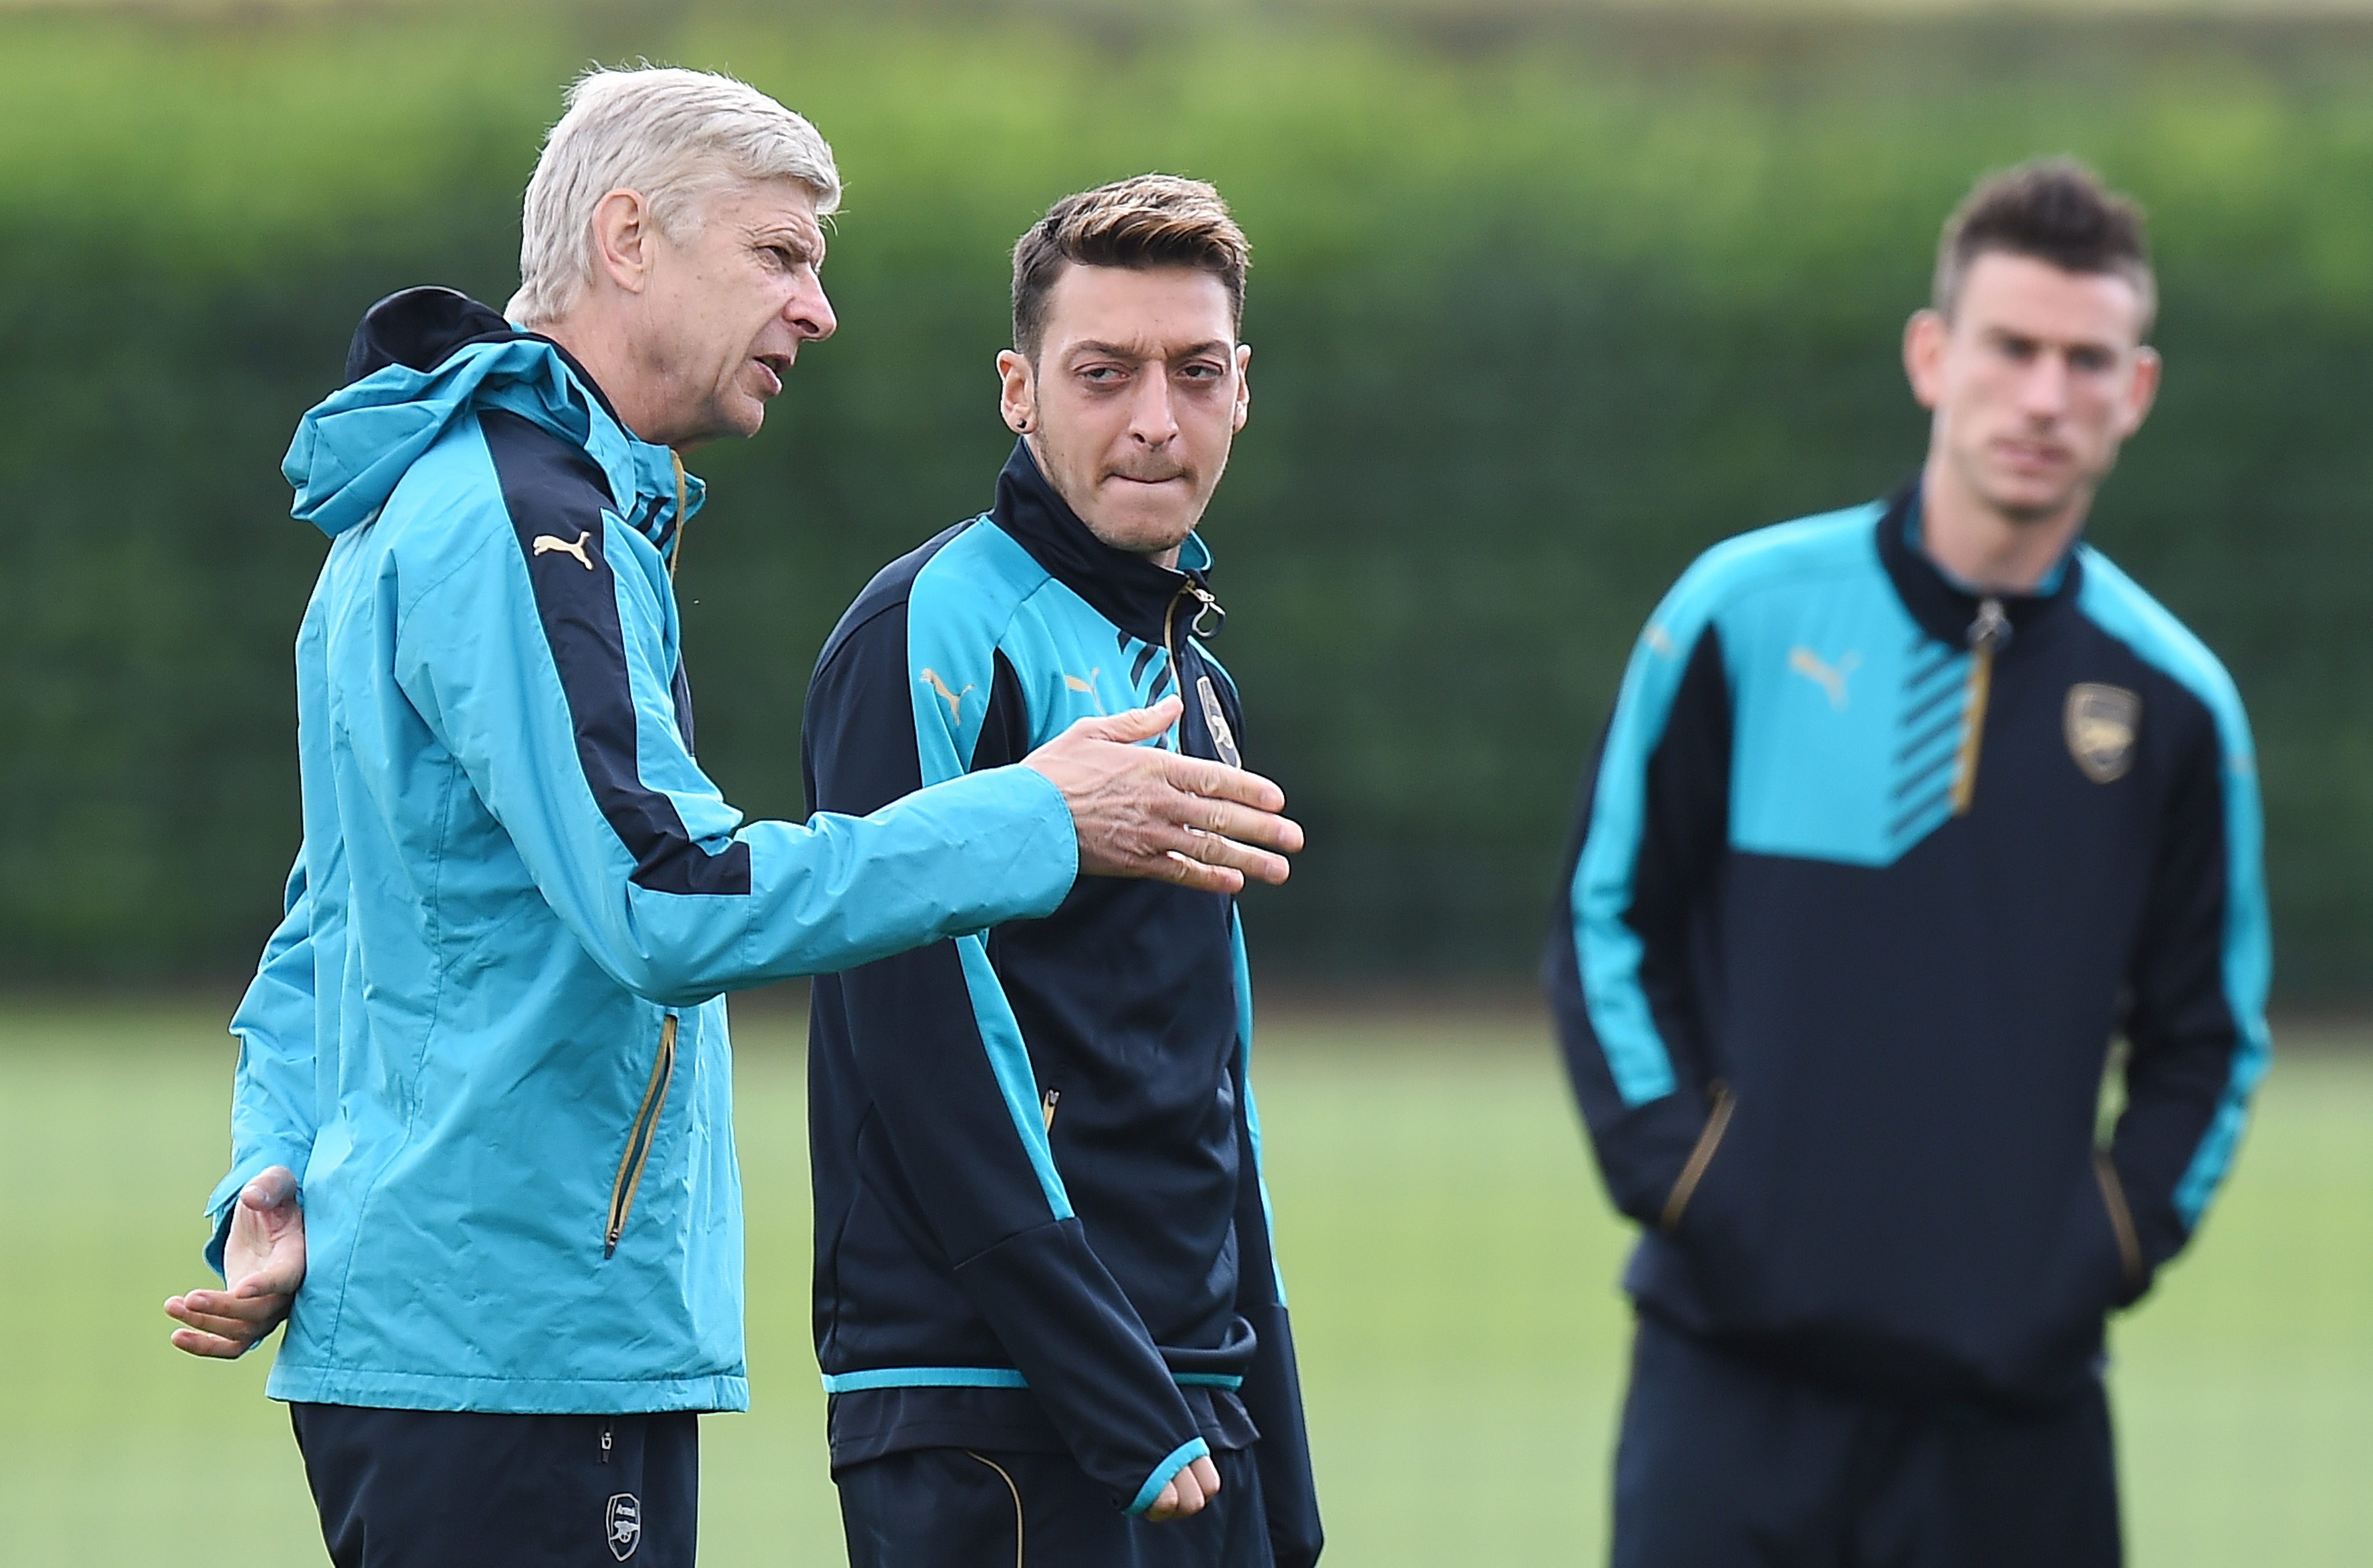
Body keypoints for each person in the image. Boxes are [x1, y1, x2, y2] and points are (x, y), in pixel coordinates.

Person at [161, 71, 1304, 1568]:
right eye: (779, 255)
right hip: (519, 1340)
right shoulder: (527, 520)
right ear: (628, 238)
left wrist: (269, 1172)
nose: (815, 309)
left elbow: (331, 915)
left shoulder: (463, 499)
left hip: (473, 1334)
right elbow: (667, 893)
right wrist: (1033, 817)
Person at [1547, 159, 2269, 1567]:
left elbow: (2210, 1039)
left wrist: (2103, 1242)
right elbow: (1604, 916)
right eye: (2010, 346)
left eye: (2086, 360)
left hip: (2014, 1422)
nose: (2044, 395)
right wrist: (1687, 1179)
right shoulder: (1739, 616)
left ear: (2135, 391)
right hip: (1729, 1391)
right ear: (1931, 355)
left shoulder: (2177, 707)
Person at [801, 175, 1323, 1568]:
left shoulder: (1189, 673)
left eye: (1194, 372)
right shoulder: (929, 626)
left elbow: (1213, 1070)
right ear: (1018, 392)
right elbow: (913, 1030)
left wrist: (1267, 1424)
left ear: (1241, 390)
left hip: (1191, 1396)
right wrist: (1117, 1396)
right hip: (991, 1404)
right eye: (1103, 374)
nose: (1155, 419)